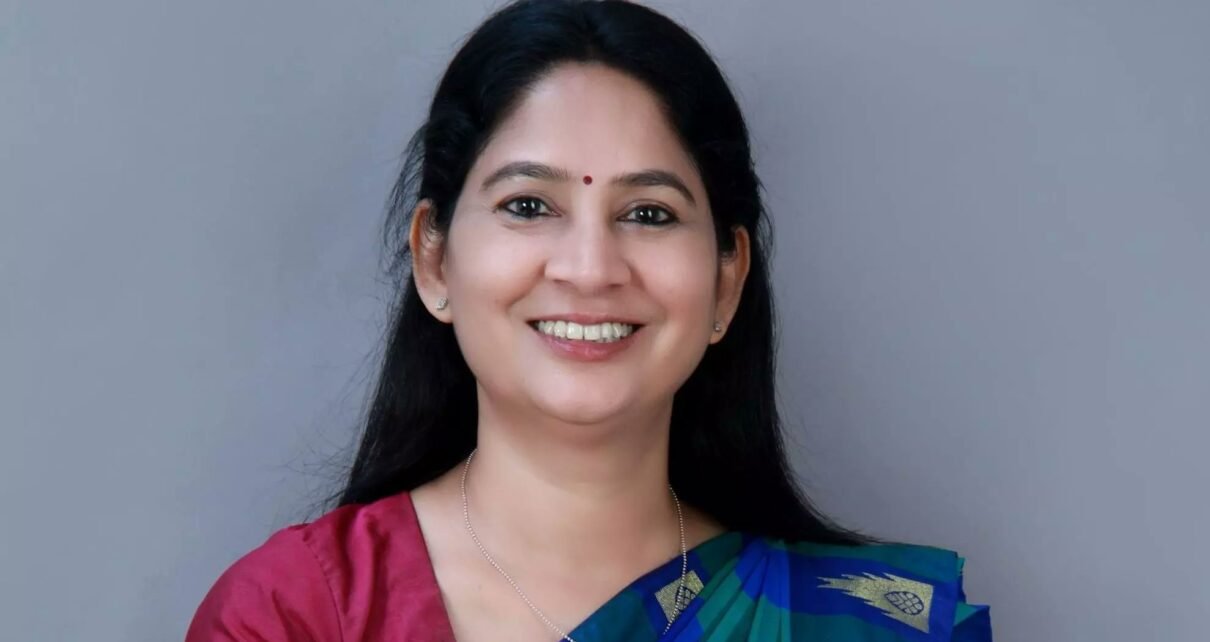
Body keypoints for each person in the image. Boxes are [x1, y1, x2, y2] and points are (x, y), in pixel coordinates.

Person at [186, 1, 992, 640]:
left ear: (726, 280)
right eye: (528, 205)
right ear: (434, 261)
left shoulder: (865, 624)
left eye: (648, 213)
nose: (589, 267)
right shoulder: (297, 615)